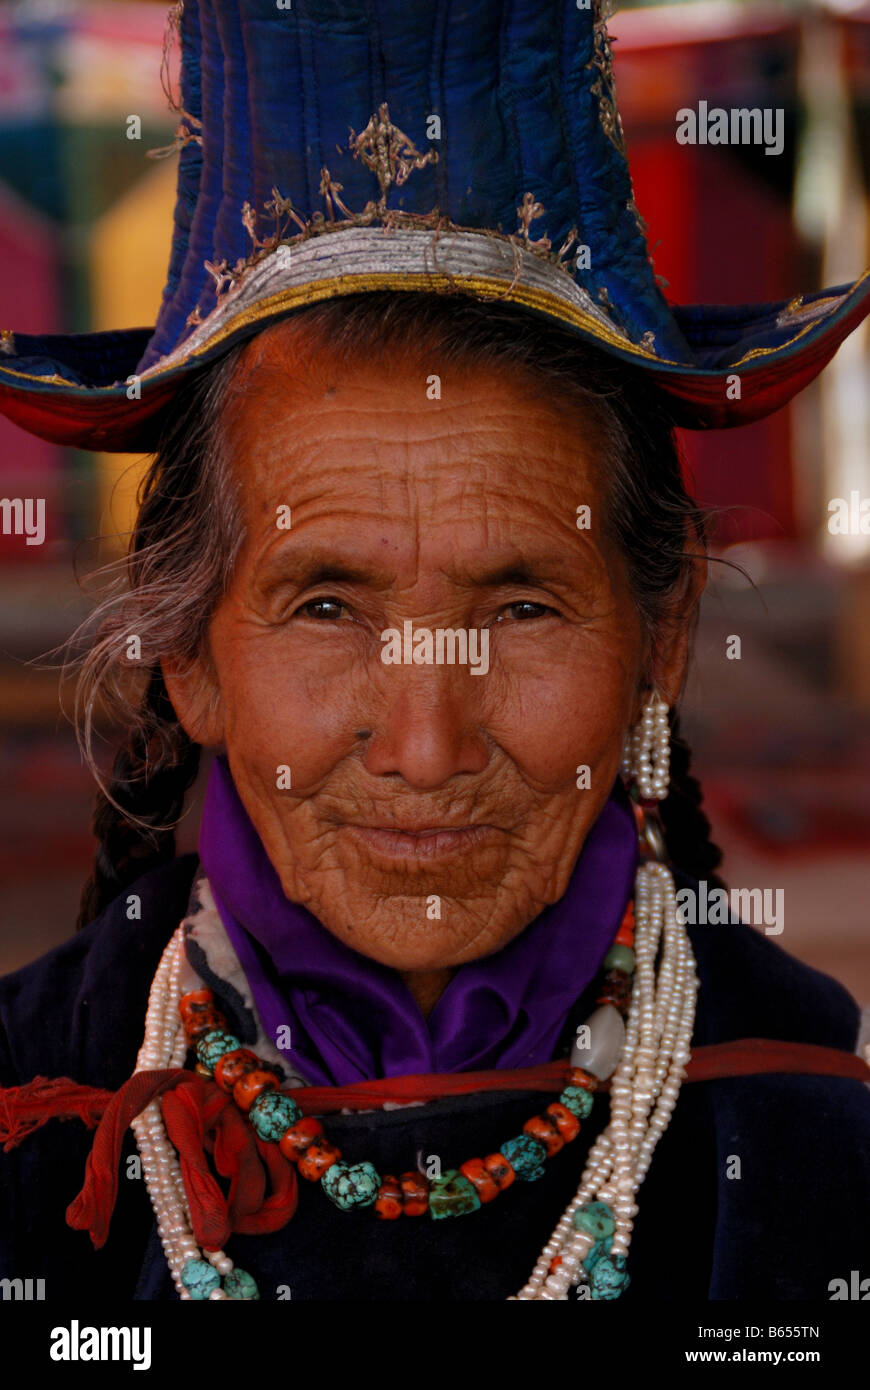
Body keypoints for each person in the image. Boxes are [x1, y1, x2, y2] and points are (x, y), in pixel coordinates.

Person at [0, 0, 868, 1303]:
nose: (425, 746)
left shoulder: (813, 1127)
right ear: (188, 652)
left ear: (660, 632)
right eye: (325, 606)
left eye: (521, 606)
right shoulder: (35, 1105)